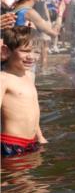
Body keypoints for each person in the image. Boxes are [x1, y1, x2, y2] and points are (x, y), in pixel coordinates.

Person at [1, 26, 47, 157]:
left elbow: (33, 112)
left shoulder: (30, 76)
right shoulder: (3, 79)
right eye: (25, 51)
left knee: (33, 168)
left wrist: (40, 136)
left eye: (36, 52)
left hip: (32, 142)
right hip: (11, 144)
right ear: (6, 51)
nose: (31, 57)